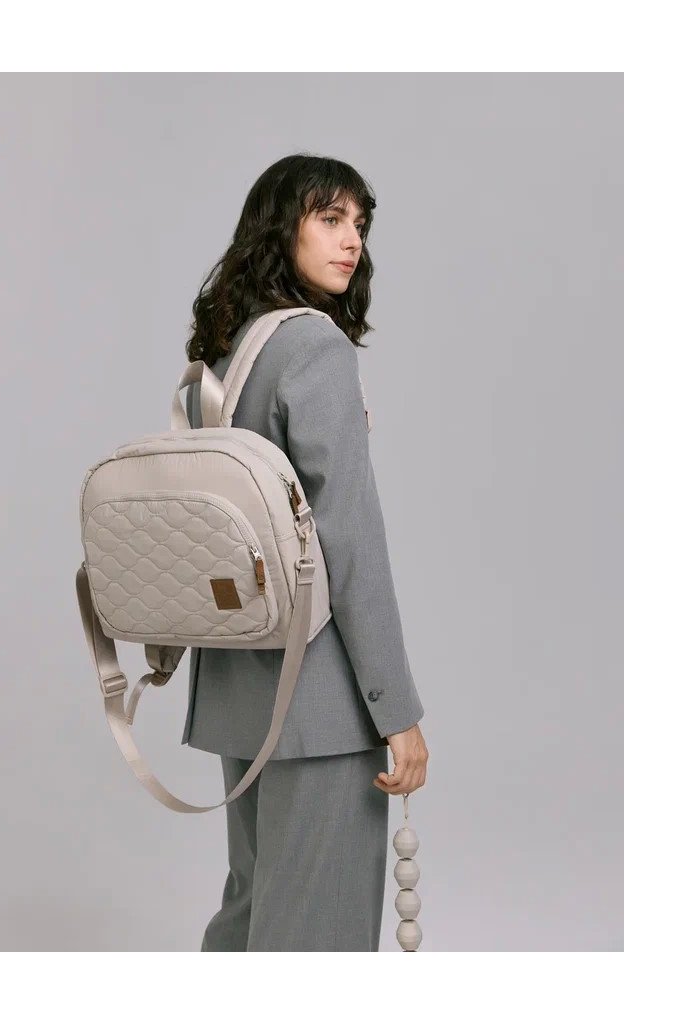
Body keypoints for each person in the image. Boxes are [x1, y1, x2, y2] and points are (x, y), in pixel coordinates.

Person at [181, 153, 429, 952]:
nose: (352, 240)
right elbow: (349, 539)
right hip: (319, 701)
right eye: (330, 219)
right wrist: (396, 712)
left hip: (238, 684)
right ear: (280, 228)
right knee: (315, 939)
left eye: (359, 223)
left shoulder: (221, 357)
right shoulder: (315, 349)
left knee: (252, 916)